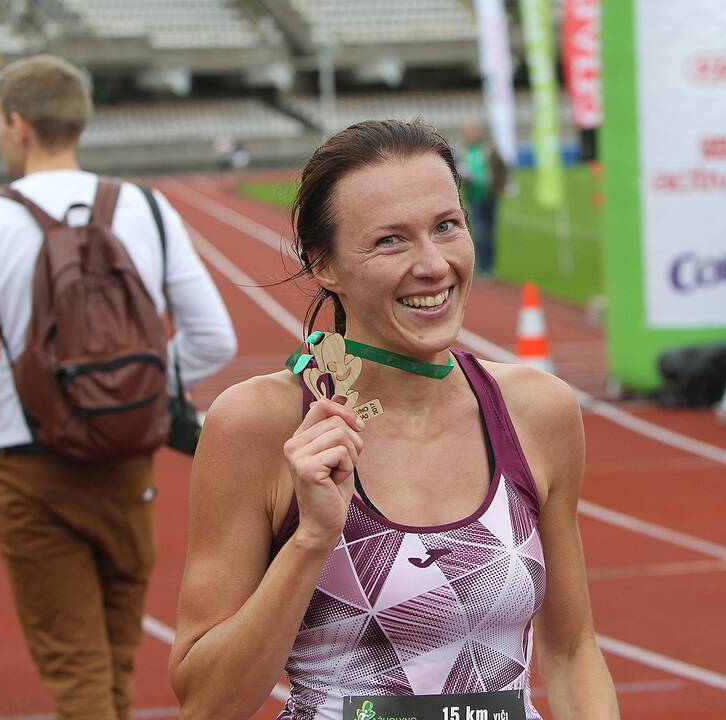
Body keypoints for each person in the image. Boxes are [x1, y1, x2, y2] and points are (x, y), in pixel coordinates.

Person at [169, 120, 619, 719]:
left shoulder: (537, 410)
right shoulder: (260, 424)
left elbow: (571, 650)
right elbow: (206, 705)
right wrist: (310, 540)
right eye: (390, 241)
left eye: (447, 227)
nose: (434, 265)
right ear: (323, 264)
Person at [0, 54, 236, 719]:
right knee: (116, 664)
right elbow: (214, 338)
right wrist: (137, 387)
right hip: (127, 456)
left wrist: (13, 408)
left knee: (76, 674)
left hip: (30, 466)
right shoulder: (146, 207)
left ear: (16, 124)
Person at [462, 123, 506, 276]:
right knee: (479, 231)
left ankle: (490, 265)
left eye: (473, 132)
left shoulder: (488, 150)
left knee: (490, 231)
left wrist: (501, 184)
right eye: (468, 132)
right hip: (474, 196)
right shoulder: (464, 152)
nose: (471, 135)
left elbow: (502, 166)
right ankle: (482, 265)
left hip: (490, 195)